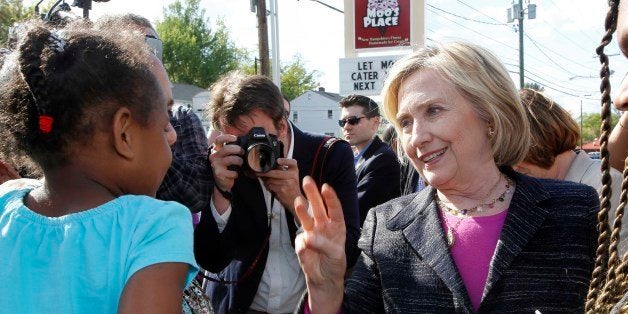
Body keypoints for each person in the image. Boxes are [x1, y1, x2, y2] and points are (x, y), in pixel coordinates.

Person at [292, 42, 599, 313]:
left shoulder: (575, 209)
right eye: (406, 122)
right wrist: (325, 294)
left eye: (434, 110)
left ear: (489, 114)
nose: (416, 138)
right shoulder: (386, 227)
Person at [0, 22, 198, 312]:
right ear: (125, 134)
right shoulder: (154, 225)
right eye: (164, 121)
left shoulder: (6, 205)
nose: (173, 135)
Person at [193, 71, 360, 313]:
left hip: (307, 306)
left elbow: (349, 251)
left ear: (281, 126)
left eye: (254, 138)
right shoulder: (226, 161)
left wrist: (297, 203)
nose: (247, 149)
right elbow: (211, 258)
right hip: (239, 304)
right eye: (237, 141)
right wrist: (220, 191)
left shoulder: (328, 156)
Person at [94, 14, 213, 215]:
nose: (172, 135)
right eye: (130, 48)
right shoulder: (84, 125)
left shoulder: (182, 118)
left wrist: (150, 139)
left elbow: (196, 193)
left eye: (151, 48)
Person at [514, 89, 625, 253]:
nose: (511, 166)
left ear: (539, 136)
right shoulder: (538, 189)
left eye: (512, 148)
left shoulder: (602, 187)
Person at [339, 94, 400, 224]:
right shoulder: (352, 158)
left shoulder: (383, 159)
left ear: (375, 123)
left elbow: (354, 209)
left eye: (353, 120)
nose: (346, 127)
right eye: (342, 122)